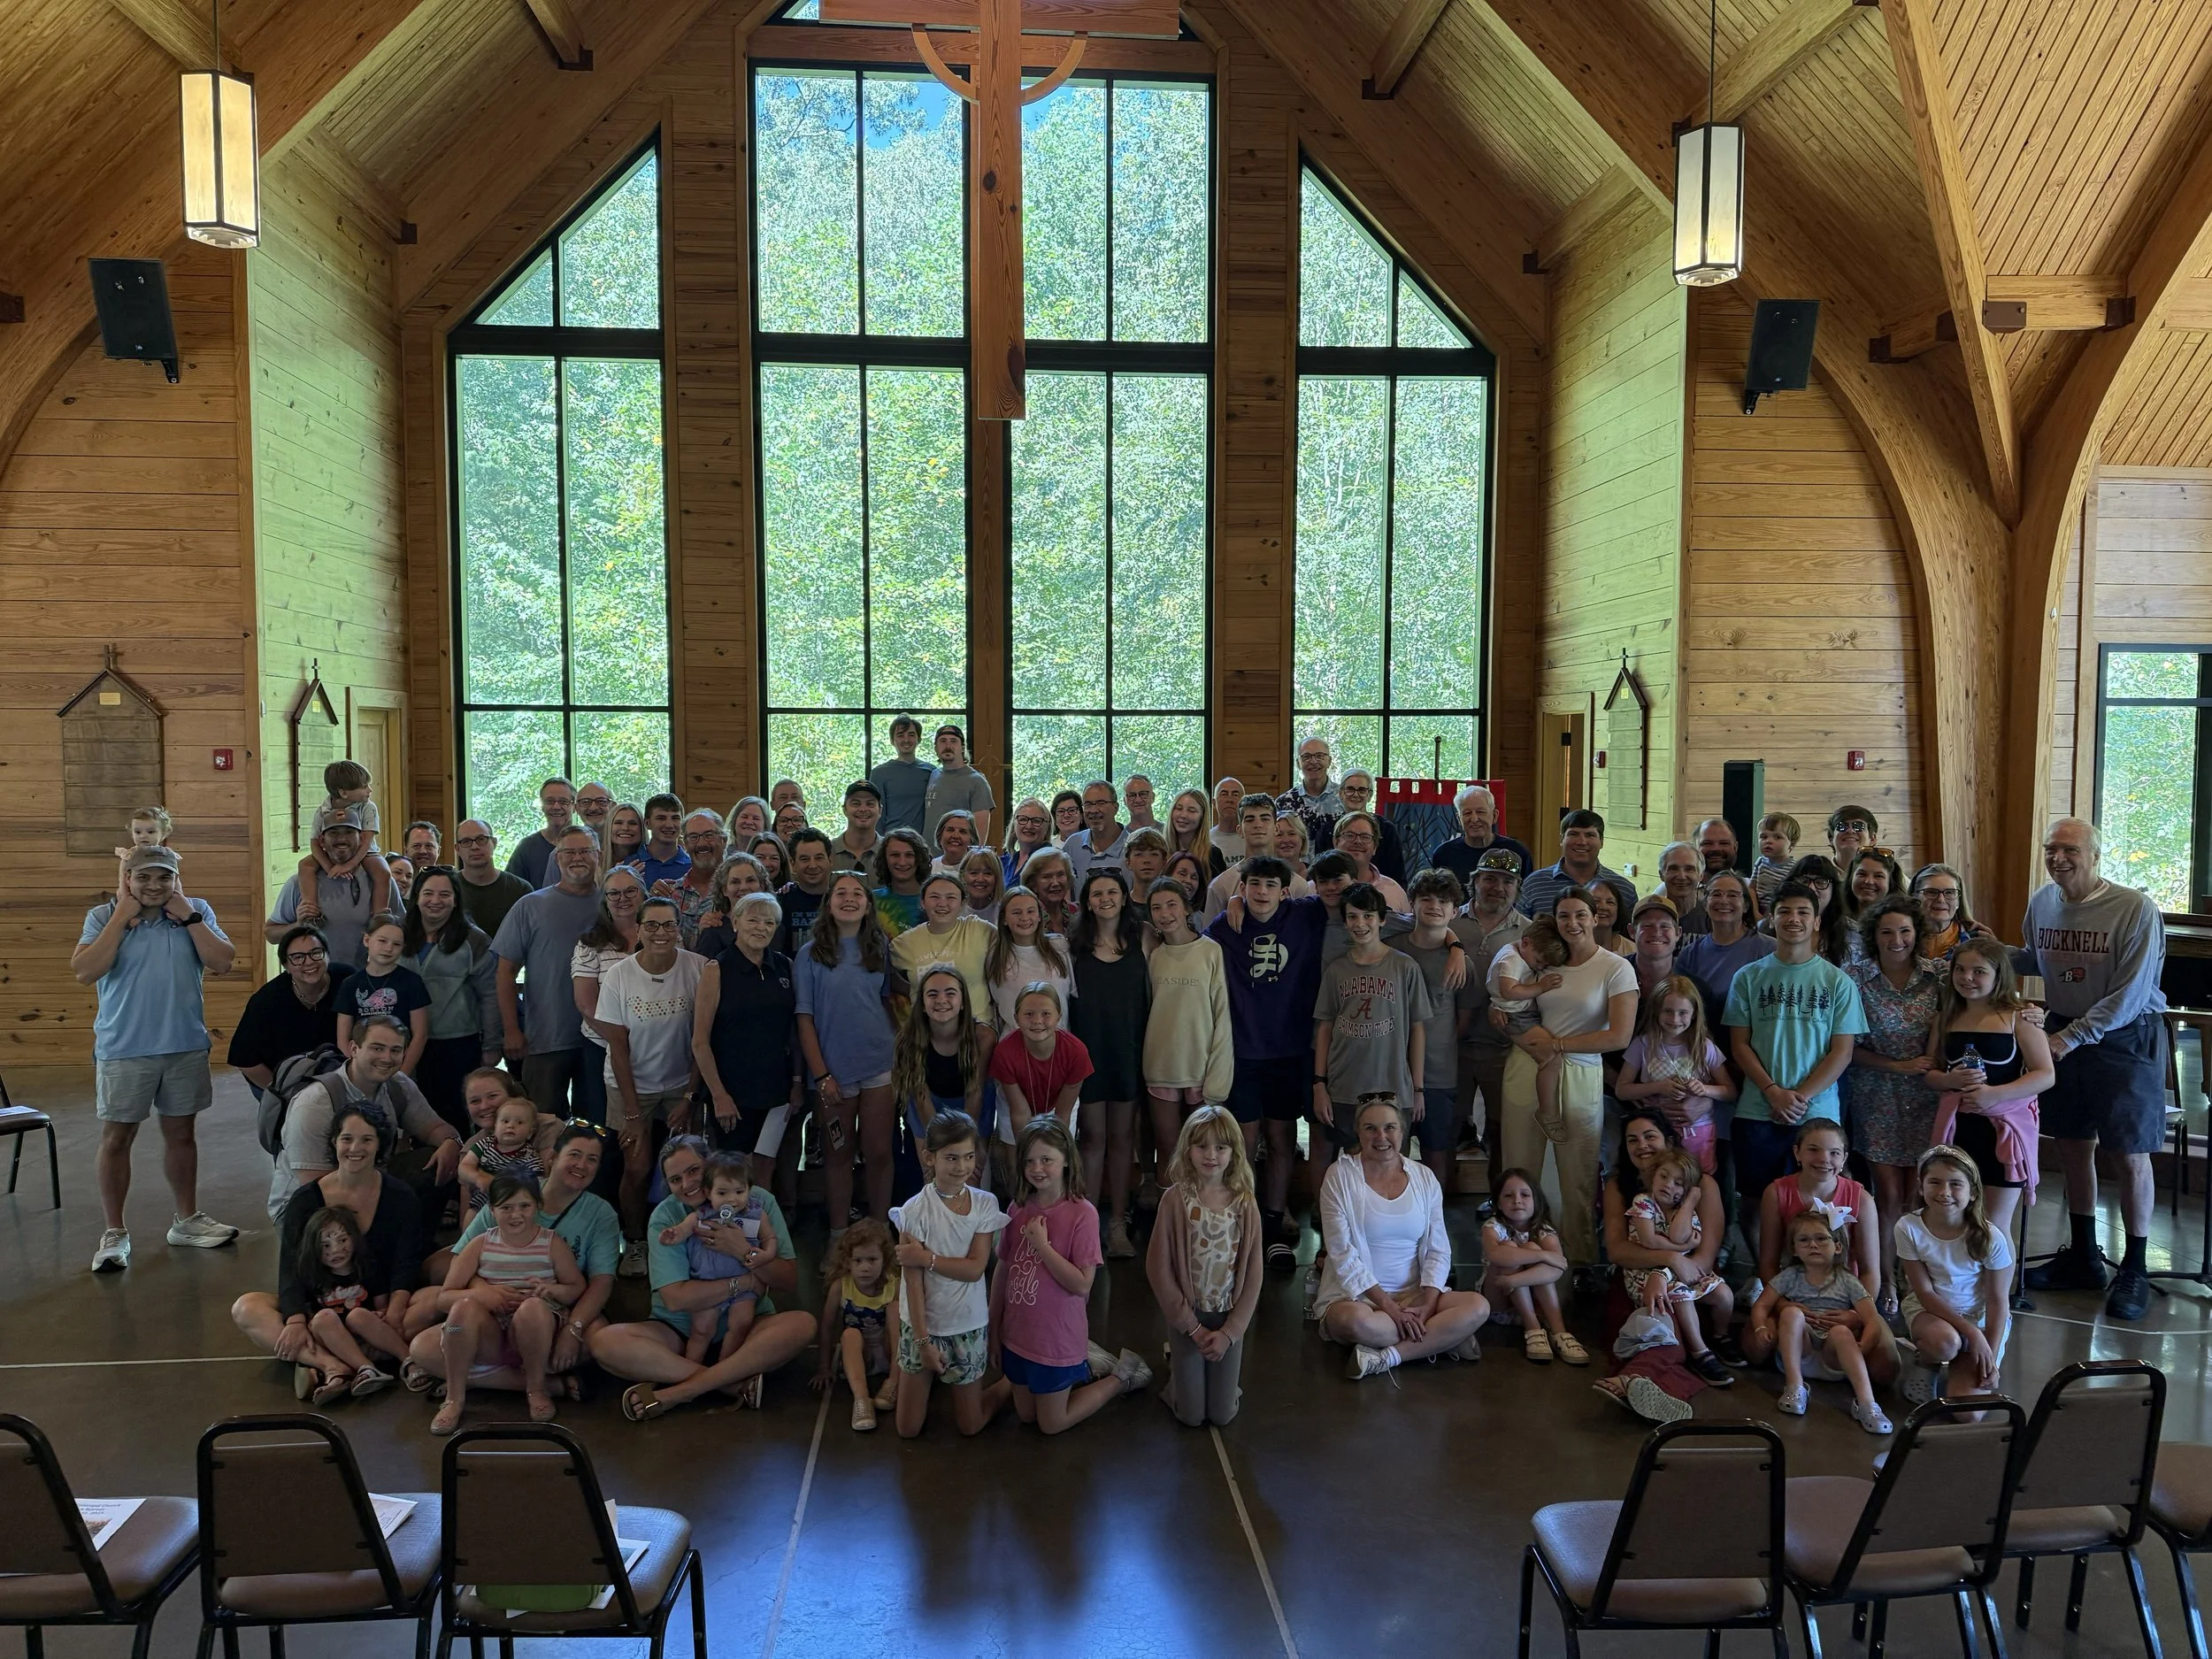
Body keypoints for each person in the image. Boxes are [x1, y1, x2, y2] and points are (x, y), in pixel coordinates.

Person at [2017, 817, 2168, 1320]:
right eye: (2050, 849)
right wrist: (1978, 952)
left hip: (2125, 1037)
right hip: (2065, 1030)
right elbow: (2039, 961)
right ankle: (2083, 1258)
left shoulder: (2134, 908)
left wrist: (2067, 1037)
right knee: (2072, 1146)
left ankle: (2135, 1268)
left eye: (2070, 850)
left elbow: (2128, 995)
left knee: (2129, 1155)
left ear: (2096, 854)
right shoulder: (2042, 902)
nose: (2058, 858)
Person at [73, 843, 240, 1271]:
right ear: (127, 879)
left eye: (163, 877)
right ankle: (114, 1233)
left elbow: (223, 961)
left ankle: (186, 1221)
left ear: (175, 880)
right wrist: (120, 917)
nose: (154, 885)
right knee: (117, 1139)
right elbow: (85, 970)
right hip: (125, 1049)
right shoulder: (102, 916)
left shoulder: (194, 911)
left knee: (182, 1135)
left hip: (183, 1045)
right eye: (143, 877)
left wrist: (188, 914)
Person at [600, 1136, 815, 1419]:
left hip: (748, 1324)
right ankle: (730, 1383)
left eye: (693, 1171)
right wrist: (746, 1283)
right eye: (675, 1179)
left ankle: (680, 1391)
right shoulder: (667, 1216)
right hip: (681, 1330)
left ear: (711, 1165)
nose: (687, 1184)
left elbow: (787, 1280)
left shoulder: (757, 1200)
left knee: (802, 1324)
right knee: (605, 1342)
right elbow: (676, 1300)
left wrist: (742, 1251)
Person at [231, 1106, 426, 1398]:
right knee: (247, 1308)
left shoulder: (401, 1196)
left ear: (381, 1145)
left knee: (435, 1299)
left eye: (367, 1140)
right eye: (347, 1139)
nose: (355, 1149)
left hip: (378, 1308)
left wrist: (395, 1311)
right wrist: (296, 1320)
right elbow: (290, 1267)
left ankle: (328, 1360)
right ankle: (334, 1364)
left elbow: (406, 1262)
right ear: (334, 1142)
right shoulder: (306, 1200)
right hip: (321, 1311)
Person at [1497, 887, 1638, 1266]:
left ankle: (1578, 1264)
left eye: (1580, 915)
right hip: (1527, 1064)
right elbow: (1511, 1002)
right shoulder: (1544, 960)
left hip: (1578, 1070)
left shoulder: (1615, 967)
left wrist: (1558, 1045)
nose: (1572, 923)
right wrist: (1504, 1019)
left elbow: (1618, 1036)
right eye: (1563, 916)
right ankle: (1519, 1260)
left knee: (1576, 1179)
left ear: (1595, 917)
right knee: (1521, 1172)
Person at [1724, 880, 1867, 1253]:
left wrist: (1799, 1097)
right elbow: (1739, 1044)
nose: (1794, 919)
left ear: (1817, 922)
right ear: (1771, 919)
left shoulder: (1838, 982)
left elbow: (1842, 1052)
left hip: (1816, 1113)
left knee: (1818, 1205)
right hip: (1758, 1109)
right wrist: (1773, 1092)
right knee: (1755, 1199)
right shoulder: (1748, 977)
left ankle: (1811, 1277)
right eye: (1785, 911)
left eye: (1803, 912)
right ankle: (1764, 1276)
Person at [1207, 855, 1330, 1266]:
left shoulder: (1306, 914)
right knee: (1243, 1143)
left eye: (1270, 886)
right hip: (1243, 1052)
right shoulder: (1225, 926)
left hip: (1290, 1051)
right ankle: (1244, 1224)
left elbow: (1357, 898)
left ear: (1285, 890)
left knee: (1281, 1140)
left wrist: (1454, 943)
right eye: (1253, 884)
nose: (1261, 893)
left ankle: (1274, 1228)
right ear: (1241, 887)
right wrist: (1231, 905)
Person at [1315, 1095, 1491, 1380]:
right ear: (1358, 1133)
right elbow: (1341, 1253)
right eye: (1370, 1128)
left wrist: (1429, 1304)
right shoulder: (1340, 1176)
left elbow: (1438, 1249)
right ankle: (1444, 1339)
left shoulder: (1424, 1177)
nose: (1381, 1136)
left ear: (1402, 1131)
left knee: (1478, 1306)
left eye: (1390, 1127)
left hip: (1416, 1295)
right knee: (1355, 1322)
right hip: (1358, 1299)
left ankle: (1388, 1356)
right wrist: (1390, 1308)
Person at [993, 1117, 1151, 1432]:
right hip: (1018, 1335)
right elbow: (1004, 1267)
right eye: (1030, 1161)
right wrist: (993, 1324)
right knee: (1026, 1416)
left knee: (1052, 1423)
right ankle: (1089, 1362)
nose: (1037, 1168)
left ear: (1066, 1160)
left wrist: (1042, 1247)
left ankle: (1121, 1375)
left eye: (1047, 1160)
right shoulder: (1018, 1208)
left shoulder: (1083, 1213)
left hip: (1056, 1339)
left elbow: (1082, 1284)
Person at [428, 1121, 620, 1372]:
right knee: (424, 1347)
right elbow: (460, 1260)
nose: (582, 1165)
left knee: (596, 1341)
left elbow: (601, 1282)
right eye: (574, 1155)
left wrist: (574, 1328)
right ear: (552, 1158)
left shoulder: (601, 1213)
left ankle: (497, 1377)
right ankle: (545, 1385)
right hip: (493, 1311)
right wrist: (482, 1290)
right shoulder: (515, 1191)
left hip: (555, 1310)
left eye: (592, 1159)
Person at [1600, 1110, 1737, 1418]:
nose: (1642, 1145)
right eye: (1632, 1140)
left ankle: (1636, 1381)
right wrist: (1670, 1259)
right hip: (1639, 1279)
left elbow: (1704, 1255)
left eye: (1650, 1136)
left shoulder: (1702, 1186)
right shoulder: (1620, 1188)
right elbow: (1618, 1251)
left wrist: (1664, 1273)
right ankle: (1638, 1383)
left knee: (1674, 1326)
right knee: (1662, 1330)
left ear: (1670, 1142)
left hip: (1693, 1280)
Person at [1922, 937, 2053, 1259]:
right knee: (1955, 1217)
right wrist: (1950, 1080)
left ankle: (1998, 1303)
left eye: (1979, 971)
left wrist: (1994, 1095)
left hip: (2002, 1133)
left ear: (1998, 976)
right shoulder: (1945, 1019)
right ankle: (1962, 1295)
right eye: (1960, 970)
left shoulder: (2018, 1018)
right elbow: (1931, 1073)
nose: (1968, 978)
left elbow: (2045, 1074)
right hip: (1959, 1130)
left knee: (1994, 1225)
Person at [426, 1175, 585, 1432]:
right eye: (506, 1208)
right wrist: (481, 1294)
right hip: (490, 1335)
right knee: (459, 1314)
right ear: (492, 1210)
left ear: (537, 1206)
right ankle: (454, 1398)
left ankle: (536, 1388)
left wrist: (553, 1290)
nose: (516, 1215)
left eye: (524, 1206)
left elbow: (576, 1287)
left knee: (532, 1308)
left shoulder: (551, 1243)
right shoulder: (481, 1243)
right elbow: (444, 1297)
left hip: (536, 1334)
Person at [268, 1015, 462, 1221]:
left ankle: (414, 1245)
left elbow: (434, 1128)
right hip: (307, 1208)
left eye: (395, 1050)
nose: (387, 1058)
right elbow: (316, 1188)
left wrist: (451, 1142)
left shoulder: (399, 1085)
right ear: (353, 1049)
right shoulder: (314, 1104)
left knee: (436, 1162)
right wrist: (381, 1204)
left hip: (369, 1180)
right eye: (377, 1048)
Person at [890, 1111, 1010, 1438]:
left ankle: (1012, 1382)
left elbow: (974, 1269)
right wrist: (924, 1342)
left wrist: (925, 1257)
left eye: (969, 1157)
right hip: (923, 1327)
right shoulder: (913, 1211)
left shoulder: (985, 1204)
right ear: (930, 1158)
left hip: (966, 1324)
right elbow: (912, 1285)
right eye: (952, 1158)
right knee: (907, 1430)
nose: (961, 1167)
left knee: (970, 1426)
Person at [597, 895, 705, 1258]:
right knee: (638, 1165)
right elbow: (619, 1048)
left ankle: (690, 1235)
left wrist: (689, 1097)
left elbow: (702, 1040)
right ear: (639, 930)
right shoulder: (619, 976)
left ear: (680, 929)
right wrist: (632, 1114)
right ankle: (636, 1239)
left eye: (669, 925)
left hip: (680, 1082)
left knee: (690, 1166)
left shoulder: (699, 968)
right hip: (632, 1086)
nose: (661, 933)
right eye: (652, 926)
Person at [796, 870, 903, 1229]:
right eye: (840, 892)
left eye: (857, 893)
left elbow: (888, 1003)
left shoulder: (879, 947)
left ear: (868, 905)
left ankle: (877, 1231)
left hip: (879, 1066)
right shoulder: (810, 954)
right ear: (828, 904)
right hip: (833, 1073)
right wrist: (821, 1074)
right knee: (838, 1153)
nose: (849, 898)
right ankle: (839, 1234)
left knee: (878, 1152)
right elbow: (805, 1018)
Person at [1148, 1105, 1264, 1426]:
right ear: (1188, 1150)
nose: (1211, 1155)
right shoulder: (1174, 1201)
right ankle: (1178, 1380)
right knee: (1191, 1416)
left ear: (1233, 1152)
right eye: (1201, 1146)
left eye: (1220, 1147)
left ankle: (1219, 1385)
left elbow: (1253, 1273)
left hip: (1226, 1317)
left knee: (1222, 1415)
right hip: (1189, 1318)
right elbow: (1158, 1270)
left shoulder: (1245, 1203)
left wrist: (1230, 1332)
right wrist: (1192, 1326)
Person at [1845, 895, 1944, 1263]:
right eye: (1887, 932)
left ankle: (1918, 1278)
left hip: (1928, 1099)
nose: (1896, 939)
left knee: (1919, 1195)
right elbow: (1844, 1048)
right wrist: (1896, 1066)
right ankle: (1885, 1279)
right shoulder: (1855, 979)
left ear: (1917, 933)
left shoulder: (1939, 978)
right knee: (1887, 1197)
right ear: (1874, 936)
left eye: (1905, 931)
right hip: (1876, 1097)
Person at [1313, 885, 1434, 1168]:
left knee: (1391, 1167)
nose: (1360, 924)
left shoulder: (1405, 968)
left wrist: (1418, 1089)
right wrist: (1320, 1084)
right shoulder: (1336, 970)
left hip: (1393, 1087)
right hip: (1344, 1086)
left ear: (1382, 919)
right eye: (1352, 917)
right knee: (1351, 1169)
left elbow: (1417, 1029)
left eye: (1368, 916)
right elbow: (1324, 1028)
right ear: (1344, 922)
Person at [491, 826, 603, 1118]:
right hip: (545, 1038)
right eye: (569, 852)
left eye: (585, 851)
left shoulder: (612, 904)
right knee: (542, 1123)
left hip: (602, 1037)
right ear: (557, 858)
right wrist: (512, 1029)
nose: (577, 858)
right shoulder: (530, 905)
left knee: (596, 1125)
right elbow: (505, 972)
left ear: (598, 855)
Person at [1748, 1210, 1895, 1433]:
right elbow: (1762, 1305)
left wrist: (1864, 1345)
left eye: (1821, 1238)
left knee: (1841, 1332)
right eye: (1804, 1240)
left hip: (1833, 1358)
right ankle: (1795, 1385)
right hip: (1801, 1352)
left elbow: (1872, 1319)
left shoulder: (1848, 1281)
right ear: (1794, 1249)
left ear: (1837, 1246)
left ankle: (1867, 1403)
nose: (1813, 1245)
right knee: (1790, 1313)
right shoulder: (1790, 1276)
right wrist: (1760, 1327)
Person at [692, 891, 803, 1179]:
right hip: (732, 1093)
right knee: (731, 1173)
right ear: (736, 923)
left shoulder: (785, 967)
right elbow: (700, 1042)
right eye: (753, 920)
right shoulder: (716, 969)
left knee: (765, 1169)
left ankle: (763, 1222)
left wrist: (796, 1083)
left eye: (768, 922)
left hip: (776, 1091)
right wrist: (719, 1095)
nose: (761, 928)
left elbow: (793, 1033)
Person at [1069, 870, 1148, 1256]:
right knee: (1092, 1139)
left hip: (1129, 1051)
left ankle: (1118, 1222)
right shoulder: (1073, 946)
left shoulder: (1143, 939)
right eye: (1097, 892)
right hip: (1088, 1054)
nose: (1105, 898)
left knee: (1122, 1139)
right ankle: (1085, 1225)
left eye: (1112, 892)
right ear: (1087, 901)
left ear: (1123, 897)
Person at [1893, 1146, 2012, 1403]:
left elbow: (1997, 1301)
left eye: (1956, 1184)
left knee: (1968, 1413)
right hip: (1932, 1312)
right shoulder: (1908, 1227)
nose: (1944, 1192)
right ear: (1921, 1187)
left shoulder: (1990, 1237)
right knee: (1945, 1342)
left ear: (1972, 1193)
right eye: (1934, 1182)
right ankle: (1928, 1362)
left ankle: (1964, 1361)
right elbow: (1924, 1292)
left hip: (1979, 1317)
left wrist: (1989, 1353)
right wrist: (1971, 1333)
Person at [402, 868, 501, 1132]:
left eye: (445, 894)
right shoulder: (397, 935)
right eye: (428, 893)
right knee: (413, 1118)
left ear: (456, 900)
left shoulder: (475, 939)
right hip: (404, 1045)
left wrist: (492, 1045)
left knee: (456, 1118)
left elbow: (491, 996)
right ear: (416, 897)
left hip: (458, 1045)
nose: (436, 900)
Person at [1143, 876, 1234, 1161]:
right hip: (1161, 1065)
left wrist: (1218, 1075)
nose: (1165, 914)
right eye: (1157, 908)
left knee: (1202, 1153)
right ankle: (1169, 1205)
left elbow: (1222, 1013)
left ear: (1186, 908)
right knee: (1169, 1151)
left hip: (1201, 1066)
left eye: (1172, 905)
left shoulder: (1210, 950)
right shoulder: (1154, 955)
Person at [1619, 1148, 1732, 1378]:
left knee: (1724, 1294)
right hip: (1645, 1271)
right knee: (1680, 1294)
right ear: (1653, 1176)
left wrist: (1690, 1202)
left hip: (1678, 1269)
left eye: (1678, 1183)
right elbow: (1649, 1241)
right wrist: (1680, 1250)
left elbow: (1680, 1235)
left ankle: (1720, 1336)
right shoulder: (1644, 1202)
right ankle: (1700, 1353)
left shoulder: (1685, 1210)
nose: (1669, 1185)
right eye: (1664, 1176)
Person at [657, 1153, 779, 1365]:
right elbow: (684, 1229)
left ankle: (724, 1368)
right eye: (722, 1193)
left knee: (741, 1324)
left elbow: (769, 1238)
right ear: (708, 1193)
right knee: (701, 1330)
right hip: (708, 1285)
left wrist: (766, 1255)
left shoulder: (757, 1214)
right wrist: (673, 1234)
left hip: (745, 1287)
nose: (732, 1199)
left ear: (749, 1189)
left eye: (740, 1191)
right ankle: (690, 1370)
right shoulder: (702, 1214)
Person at [1454, 849, 1531, 1176]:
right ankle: (1434, 1205)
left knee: (1502, 1132)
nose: (1497, 887)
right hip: (1450, 1046)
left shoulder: (1529, 933)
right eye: (1489, 879)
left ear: (1518, 887)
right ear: (1474, 882)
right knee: (1444, 1129)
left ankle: (1500, 1203)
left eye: (1507, 881)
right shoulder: (1448, 920)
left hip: (1503, 1048)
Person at [1614, 974, 1728, 1176]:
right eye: (1668, 1011)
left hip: (1698, 1131)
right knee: (1659, 1179)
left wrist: (1705, 1089)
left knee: (1699, 1178)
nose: (1675, 1020)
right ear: (1657, 1011)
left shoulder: (1704, 1047)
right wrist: (1658, 1087)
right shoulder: (1643, 1045)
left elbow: (1729, 1091)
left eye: (1682, 1012)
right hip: (1657, 1134)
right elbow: (1622, 1090)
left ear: (1694, 1014)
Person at [1755, 1118, 1882, 1296]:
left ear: (1844, 1158)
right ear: (1797, 1152)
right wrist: (1781, 1304)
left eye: (1834, 1153)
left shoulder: (1862, 1199)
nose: (1824, 1159)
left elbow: (1870, 1271)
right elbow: (1768, 1263)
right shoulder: (1776, 1193)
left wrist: (1857, 1313)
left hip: (1847, 1295)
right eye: (1813, 1150)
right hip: (1791, 1293)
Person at [227, 924, 354, 1097]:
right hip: (276, 1077)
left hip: (331, 1074)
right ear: (285, 965)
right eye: (297, 957)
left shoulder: (347, 981)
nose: (308, 962)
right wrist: (283, 1095)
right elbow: (245, 1060)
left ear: (327, 955)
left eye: (316, 953)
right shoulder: (266, 1001)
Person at [265, 810, 393, 971]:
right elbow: (270, 934)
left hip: (364, 980)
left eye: (349, 832)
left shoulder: (379, 881)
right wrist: (298, 925)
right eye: (333, 833)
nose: (341, 839)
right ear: (321, 841)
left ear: (361, 839)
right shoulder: (298, 884)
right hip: (315, 980)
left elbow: (399, 931)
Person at [891, 964, 999, 1153]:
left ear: (963, 1001)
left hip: (972, 1104)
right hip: (930, 1103)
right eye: (932, 994)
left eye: (950, 993)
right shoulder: (908, 1040)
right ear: (922, 1004)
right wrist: (938, 1149)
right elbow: (921, 1097)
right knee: (934, 1171)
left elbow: (975, 1091)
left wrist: (964, 1146)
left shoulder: (984, 1037)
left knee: (972, 1173)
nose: (941, 1000)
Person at [1481, 1169, 1585, 1365]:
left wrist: (1514, 1280)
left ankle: (1559, 1330)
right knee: (1509, 1249)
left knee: (1531, 1246)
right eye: (1508, 1196)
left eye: (1525, 1195)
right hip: (1499, 1300)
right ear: (1498, 1204)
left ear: (1536, 1200)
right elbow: (1496, 1254)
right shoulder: (1492, 1227)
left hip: (1518, 1290)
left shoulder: (1544, 1229)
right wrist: (1543, 1255)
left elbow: (1558, 1267)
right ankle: (1533, 1328)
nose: (1517, 1200)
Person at [571, 865, 644, 1138]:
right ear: (605, 900)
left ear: (643, 894)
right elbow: (586, 1004)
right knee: (604, 1129)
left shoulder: (662, 934)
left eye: (630, 891)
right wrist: (618, 1040)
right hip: (601, 1047)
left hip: (651, 1049)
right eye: (614, 893)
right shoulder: (590, 942)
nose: (622, 898)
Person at [810, 1217, 901, 1432]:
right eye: (858, 1261)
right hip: (862, 1356)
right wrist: (824, 1367)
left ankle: (895, 1381)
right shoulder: (841, 1287)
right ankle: (862, 1400)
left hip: (890, 1352)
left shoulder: (894, 1285)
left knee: (896, 1310)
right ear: (847, 1261)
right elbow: (827, 1326)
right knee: (850, 1334)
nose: (865, 1268)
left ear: (884, 1259)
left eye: (872, 1260)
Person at [296, 760, 394, 926]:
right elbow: (315, 844)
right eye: (364, 787)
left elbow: (367, 839)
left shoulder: (367, 807)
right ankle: (311, 913)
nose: (369, 790)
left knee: (383, 871)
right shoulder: (323, 811)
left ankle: (379, 916)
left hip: (365, 852)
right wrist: (329, 868)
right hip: (332, 854)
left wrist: (348, 866)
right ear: (344, 793)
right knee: (304, 865)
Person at [988, 983, 1091, 1139]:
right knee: (1017, 1156)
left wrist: (1052, 1151)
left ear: (1059, 1017)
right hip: (1015, 1106)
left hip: (1057, 1106)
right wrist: (1025, 1155)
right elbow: (1019, 1113)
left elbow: (1062, 1114)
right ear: (1016, 1018)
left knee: (1055, 1156)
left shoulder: (1076, 1052)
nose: (1037, 1020)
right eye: (1029, 1014)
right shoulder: (1004, 1052)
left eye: (1046, 1014)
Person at [334, 919, 429, 1075]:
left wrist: (402, 1075)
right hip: (361, 1068)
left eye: (396, 944)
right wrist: (352, 1072)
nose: (388, 948)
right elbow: (343, 1037)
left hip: (398, 1065)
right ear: (367, 940)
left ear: (403, 948)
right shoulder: (350, 984)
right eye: (382, 941)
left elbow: (420, 1034)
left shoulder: (412, 981)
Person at [1675, 870, 1773, 1020]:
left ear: (1746, 905)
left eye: (1733, 895)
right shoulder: (1689, 955)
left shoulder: (1770, 950)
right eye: (1716, 894)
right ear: (1705, 904)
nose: (1724, 900)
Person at [892, 871, 995, 1010]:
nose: (942, 903)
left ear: (962, 904)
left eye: (951, 897)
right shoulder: (903, 943)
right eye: (934, 897)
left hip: (976, 1028)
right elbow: (885, 979)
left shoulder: (981, 930)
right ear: (923, 902)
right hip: (926, 1029)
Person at [1201, 795, 1311, 923]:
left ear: (1276, 828)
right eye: (1250, 819)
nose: (1258, 825)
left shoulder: (1299, 887)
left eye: (1265, 819)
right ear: (1240, 830)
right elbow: (1209, 939)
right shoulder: (1220, 886)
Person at [1517, 809, 1636, 923]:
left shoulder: (1624, 889)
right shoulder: (1534, 884)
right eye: (1573, 834)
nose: (1581, 842)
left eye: (1590, 835)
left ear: (1602, 842)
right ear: (1561, 839)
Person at [1426, 784, 1532, 887]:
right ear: (1459, 819)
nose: (1474, 819)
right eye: (1467, 813)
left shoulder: (1516, 852)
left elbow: (1527, 893)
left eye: (1480, 812)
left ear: (1494, 816)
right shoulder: (1444, 854)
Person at [449, 819, 534, 939]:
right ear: (457, 848)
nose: (474, 847)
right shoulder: (448, 888)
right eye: (466, 841)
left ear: (494, 843)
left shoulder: (521, 890)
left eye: (481, 839)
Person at [458, 1094, 542, 1213]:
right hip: (480, 1203)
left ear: (530, 1133)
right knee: (471, 1215)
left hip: (511, 1207)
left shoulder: (530, 1157)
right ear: (495, 1126)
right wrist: (478, 1178)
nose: (510, 1126)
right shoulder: (484, 1144)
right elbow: (464, 1167)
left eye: (519, 1123)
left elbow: (536, 1187)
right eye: (505, 1121)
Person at [690, 850, 773, 961]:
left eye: (750, 880)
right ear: (724, 889)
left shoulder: (776, 928)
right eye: (735, 882)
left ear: (762, 885)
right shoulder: (713, 933)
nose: (743, 887)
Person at [662, 811, 728, 946]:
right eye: (694, 837)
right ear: (685, 844)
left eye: (709, 835)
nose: (702, 843)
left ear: (724, 840)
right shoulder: (670, 894)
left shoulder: (738, 891)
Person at [923, 724, 994, 843]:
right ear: (936, 748)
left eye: (954, 741)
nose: (948, 745)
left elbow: (980, 835)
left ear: (962, 748)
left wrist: (974, 858)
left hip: (959, 858)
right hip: (930, 857)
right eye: (943, 741)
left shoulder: (977, 781)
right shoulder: (934, 775)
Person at [1909, 862, 1992, 964]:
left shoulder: (1978, 939)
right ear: (1915, 898)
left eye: (1950, 892)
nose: (1941, 899)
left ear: (1958, 901)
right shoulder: (1901, 938)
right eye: (1931, 892)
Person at [505, 777, 580, 889]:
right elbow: (511, 889)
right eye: (550, 801)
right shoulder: (527, 847)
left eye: (563, 802)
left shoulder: (588, 844)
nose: (556, 807)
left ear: (574, 807)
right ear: (542, 806)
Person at [1333, 772, 1406, 885]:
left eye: (1362, 790)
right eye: (1350, 789)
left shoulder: (1387, 829)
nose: (1356, 795)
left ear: (1370, 796)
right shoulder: (1327, 830)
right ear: (1341, 793)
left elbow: (1397, 874)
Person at [1277, 734, 1345, 853]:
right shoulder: (1284, 802)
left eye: (1319, 756)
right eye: (1306, 757)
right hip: (1296, 869)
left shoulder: (1344, 797)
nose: (1313, 761)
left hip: (1336, 868)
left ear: (1329, 761)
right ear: (1298, 763)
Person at [1326, 811, 1407, 910]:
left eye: (1365, 837)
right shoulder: (1313, 889)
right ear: (1336, 842)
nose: (1358, 841)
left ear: (1375, 848)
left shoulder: (1395, 892)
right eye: (1350, 835)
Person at [870, 715, 934, 833]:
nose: (906, 740)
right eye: (900, 735)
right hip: (890, 840)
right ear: (892, 741)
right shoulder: (879, 773)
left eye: (911, 735)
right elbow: (876, 814)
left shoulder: (931, 772)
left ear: (918, 739)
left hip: (923, 843)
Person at [1064, 779, 1129, 888]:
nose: (1093, 810)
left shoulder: (1134, 847)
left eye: (1100, 803)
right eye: (1088, 804)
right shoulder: (1073, 846)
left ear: (1116, 808)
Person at [778, 826, 835, 941]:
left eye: (819, 858)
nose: (813, 865)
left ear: (830, 860)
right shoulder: (780, 902)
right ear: (792, 864)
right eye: (804, 859)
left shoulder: (842, 899)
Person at [625, 793, 692, 890]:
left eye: (675, 818)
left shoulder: (691, 867)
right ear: (647, 823)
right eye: (661, 818)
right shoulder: (631, 865)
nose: (669, 825)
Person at [870, 827, 930, 933]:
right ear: (884, 858)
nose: (902, 862)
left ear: (920, 859)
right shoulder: (871, 900)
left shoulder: (933, 900)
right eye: (895, 855)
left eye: (909, 855)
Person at [1655, 842, 1709, 935]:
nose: (1682, 876)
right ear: (1661, 875)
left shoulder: (1711, 917)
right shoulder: (1650, 917)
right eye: (1673, 869)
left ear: (1700, 876)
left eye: (1689, 869)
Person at [1024, 846, 1079, 936]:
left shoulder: (1076, 912)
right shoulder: (1026, 918)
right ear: (1032, 884)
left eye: (1060, 875)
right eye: (1047, 877)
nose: (1055, 883)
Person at [830, 780, 884, 873]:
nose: (863, 809)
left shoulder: (890, 851)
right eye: (856, 804)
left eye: (870, 804)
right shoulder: (827, 851)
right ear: (844, 809)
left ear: (880, 810)